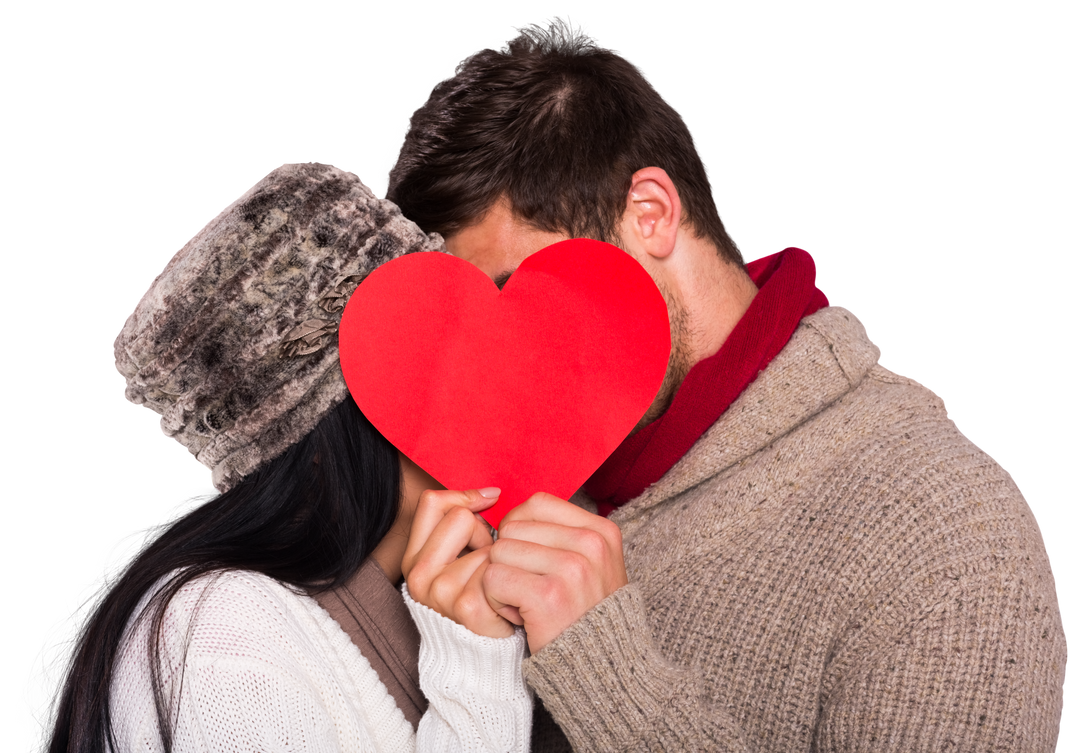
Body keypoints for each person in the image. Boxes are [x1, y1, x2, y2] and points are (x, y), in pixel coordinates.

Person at [382, 15, 1069, 752]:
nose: (505, 367)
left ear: (650, 214)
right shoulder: (474, 489)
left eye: (523, 289)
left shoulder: (947, 534)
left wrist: (607, 674)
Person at [22, 160, 533, 752]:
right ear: (345, 416)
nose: (498, 378)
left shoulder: (435, 593)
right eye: (444, 353)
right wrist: (478, 681)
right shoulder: (222, 640)